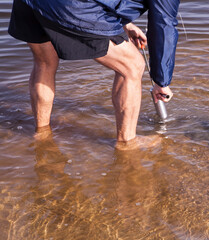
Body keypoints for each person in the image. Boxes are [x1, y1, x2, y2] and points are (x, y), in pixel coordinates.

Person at [8, 0, 179, 148]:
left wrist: (124, 24)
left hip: (28, 3)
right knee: (132, 66)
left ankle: (42, 133)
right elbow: (163, 23)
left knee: (44, 62)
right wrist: (161, 81)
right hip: (69, 5)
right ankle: (126, 143)